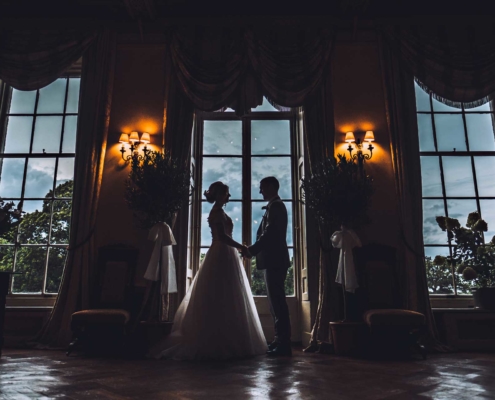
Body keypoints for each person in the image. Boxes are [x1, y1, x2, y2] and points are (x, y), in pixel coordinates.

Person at [149, 181, 267, 360]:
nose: (228, 196)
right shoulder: (217, 213)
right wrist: (242, 247)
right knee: (220, 295)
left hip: (225, 254)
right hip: (221, 253)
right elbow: (222, 237)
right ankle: (217, 341)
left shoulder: (220, 212)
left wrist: (238, 249)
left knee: (228, 295)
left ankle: (229, 340)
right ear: (219, 195)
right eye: (226, 193)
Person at [241, 176, 292, 357]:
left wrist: (252, 250)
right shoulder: (274, 206)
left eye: (262, 187)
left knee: (277, 303)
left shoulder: (276, 206)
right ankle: (279, 340)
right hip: (275, 260)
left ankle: (283, 344)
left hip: (275, 260)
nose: (260, 191)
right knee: (275, 303)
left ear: (271, 187)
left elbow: (270, 234)